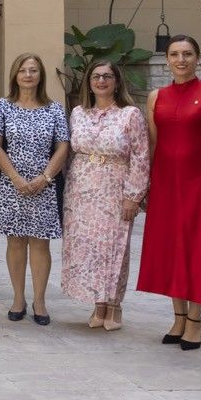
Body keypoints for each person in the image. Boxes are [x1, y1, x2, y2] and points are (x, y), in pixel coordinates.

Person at [136, 34, 201, 351]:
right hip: (164, 184)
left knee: (198, 249)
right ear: (167, 60)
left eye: (187, 54)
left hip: (199, 184)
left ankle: (196, 321)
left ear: (197, 58)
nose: (181, 60)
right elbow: (151, 143)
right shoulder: (156, 96)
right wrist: (145, 184)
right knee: (171, 250)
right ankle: (178, 317)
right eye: (174, 54)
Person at [59, 61, 150, 331]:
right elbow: (70, 153)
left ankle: (114, 305)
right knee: (88, 248)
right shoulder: (78, 113)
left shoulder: (130, 114)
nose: (101, 81)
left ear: (117, 81)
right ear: (88, 81)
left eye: (107, 76)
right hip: (81, 190)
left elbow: (141, 156)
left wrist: (133, 195)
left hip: (115, 188)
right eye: (96, 76)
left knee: (114, 247)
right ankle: (97, 304)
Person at [0, 54, 71, 325]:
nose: (27, 75)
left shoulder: (54, 108)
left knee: (40, 242)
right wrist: (16, 178)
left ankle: (40, 301)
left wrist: (44, 178)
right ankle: (18, 298)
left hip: (45, 185)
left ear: (40, 75)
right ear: (15, 75)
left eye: (33, 70)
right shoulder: (3, 106)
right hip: (12, 185)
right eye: (22, 70)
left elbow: (62, 146)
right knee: (15, 241)